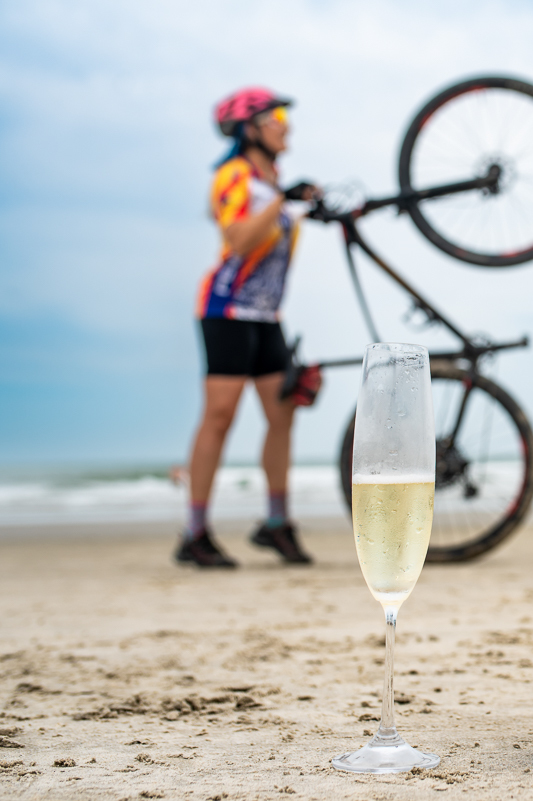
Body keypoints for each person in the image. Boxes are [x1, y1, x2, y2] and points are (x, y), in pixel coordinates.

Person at [176, 87, 321, 568]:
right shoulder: (233, 175)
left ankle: (277, 524)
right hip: (226, 310)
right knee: (220, 416)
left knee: (282, 414)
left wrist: (300, 200)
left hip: (266, 316)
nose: (286, 125)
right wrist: (282, 200)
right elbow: (237, 238)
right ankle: (194, 532)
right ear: (250, 128)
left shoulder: (272, 178)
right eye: (277, 116)